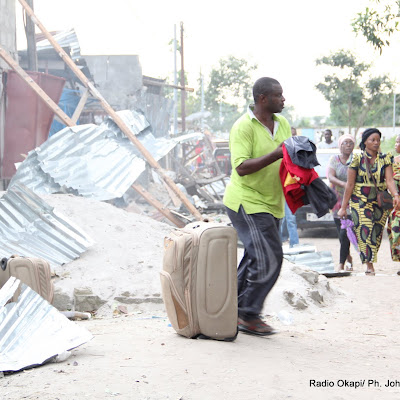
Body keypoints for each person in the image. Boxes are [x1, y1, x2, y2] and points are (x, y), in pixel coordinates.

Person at [223, 77, 291, 336]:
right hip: (246, 201)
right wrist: (276, 154)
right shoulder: (243, 127)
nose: (283, 99)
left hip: (272, 202)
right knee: (269, 257)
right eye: (278, 95)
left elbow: (289, 157)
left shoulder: (283, 123)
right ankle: (248, 314)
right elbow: (241, 168)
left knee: (256, 256)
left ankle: (229, 309)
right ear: (263, 99)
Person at [338, 128, 400, 275]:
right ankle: (369, 265)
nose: (376, 143)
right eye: (372, 140)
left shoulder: (385, 158)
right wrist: (343, 207)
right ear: (365, 141)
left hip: (380, 201)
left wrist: (396, 195)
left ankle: (370, 258)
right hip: (360, 200)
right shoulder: (357, 158)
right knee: (364, 229)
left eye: (378, 140)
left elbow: (389, 180)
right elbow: (350, 184)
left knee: (376, 232)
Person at [328, 134, 355, 271]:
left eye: (351, 143)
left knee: (345, 232)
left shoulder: (356, 160)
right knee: (341, 233)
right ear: (340, 145)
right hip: (337, 201)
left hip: (351, 201)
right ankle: (348, 257)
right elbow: (330, 177)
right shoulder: (334, 159)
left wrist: (349, 187)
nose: (348, 145)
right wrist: (345, 184)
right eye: (345, 142)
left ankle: (341, 263)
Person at [280, 127, 300, 247]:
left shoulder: (298, 152)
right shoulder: (279, 150)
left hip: (291, 189)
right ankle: (280, 240)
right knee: (283, 218)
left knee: (291, 218)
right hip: (278, 189)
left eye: (294, 135)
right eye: (290, 135)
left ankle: (294, 244)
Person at [387, 134, 400, 275]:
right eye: (395, 142)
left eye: (398, 142)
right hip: (396, 206)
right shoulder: (393, 162)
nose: (396, 145)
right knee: (396, 234)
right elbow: (389, 181)